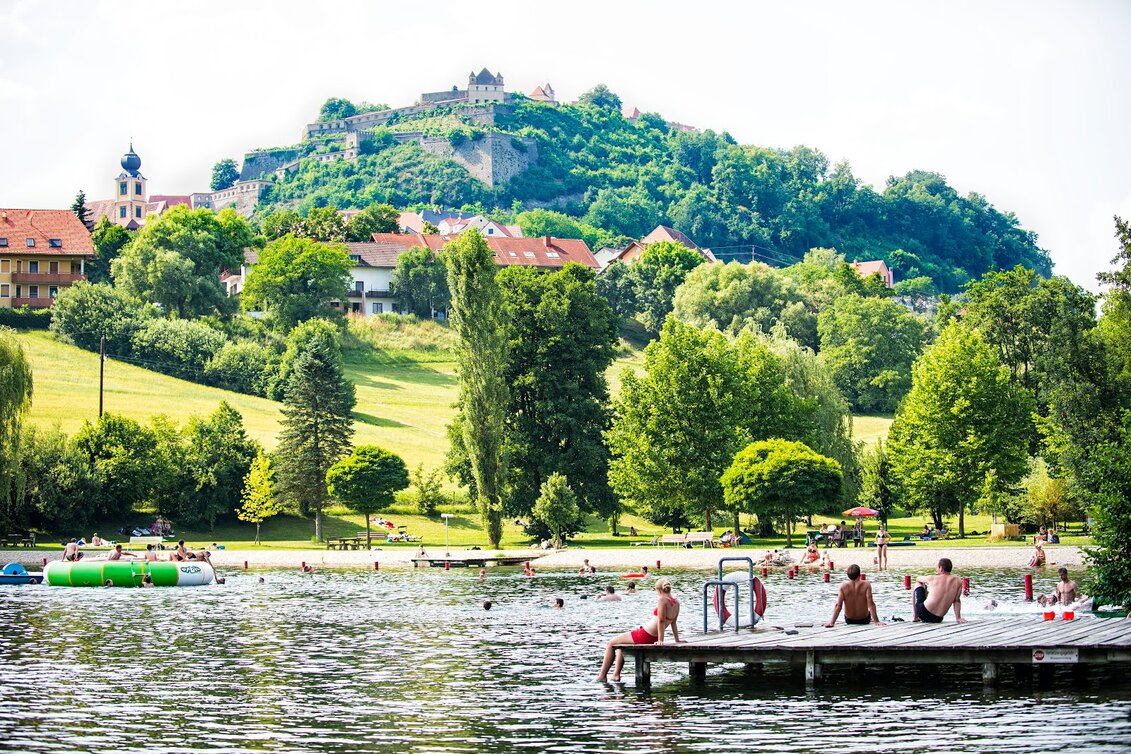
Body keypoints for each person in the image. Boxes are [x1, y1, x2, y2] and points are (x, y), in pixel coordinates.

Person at [595, 578, 682, 682]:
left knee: (610, 643)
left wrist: (660, 640)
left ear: (658, 590)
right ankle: (616, 675)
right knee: (620, 646)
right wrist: (677, 640)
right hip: (651, 636)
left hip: (645, 635)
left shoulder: (662, 600)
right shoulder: (676, 602)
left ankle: (602, 676)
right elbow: (673, 623)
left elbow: (661, 621)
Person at [912, 558, 966, 623]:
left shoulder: (932, 578)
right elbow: (956, 601)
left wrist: (925, 588)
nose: (936, 569)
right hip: (938, 618)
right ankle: (958, 618)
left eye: (937, 567)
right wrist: (958, 618)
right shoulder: (958, 581)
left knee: (917, 584)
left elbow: (918, 578)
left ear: (941, 568)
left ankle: (915, 617)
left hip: (923, 613)